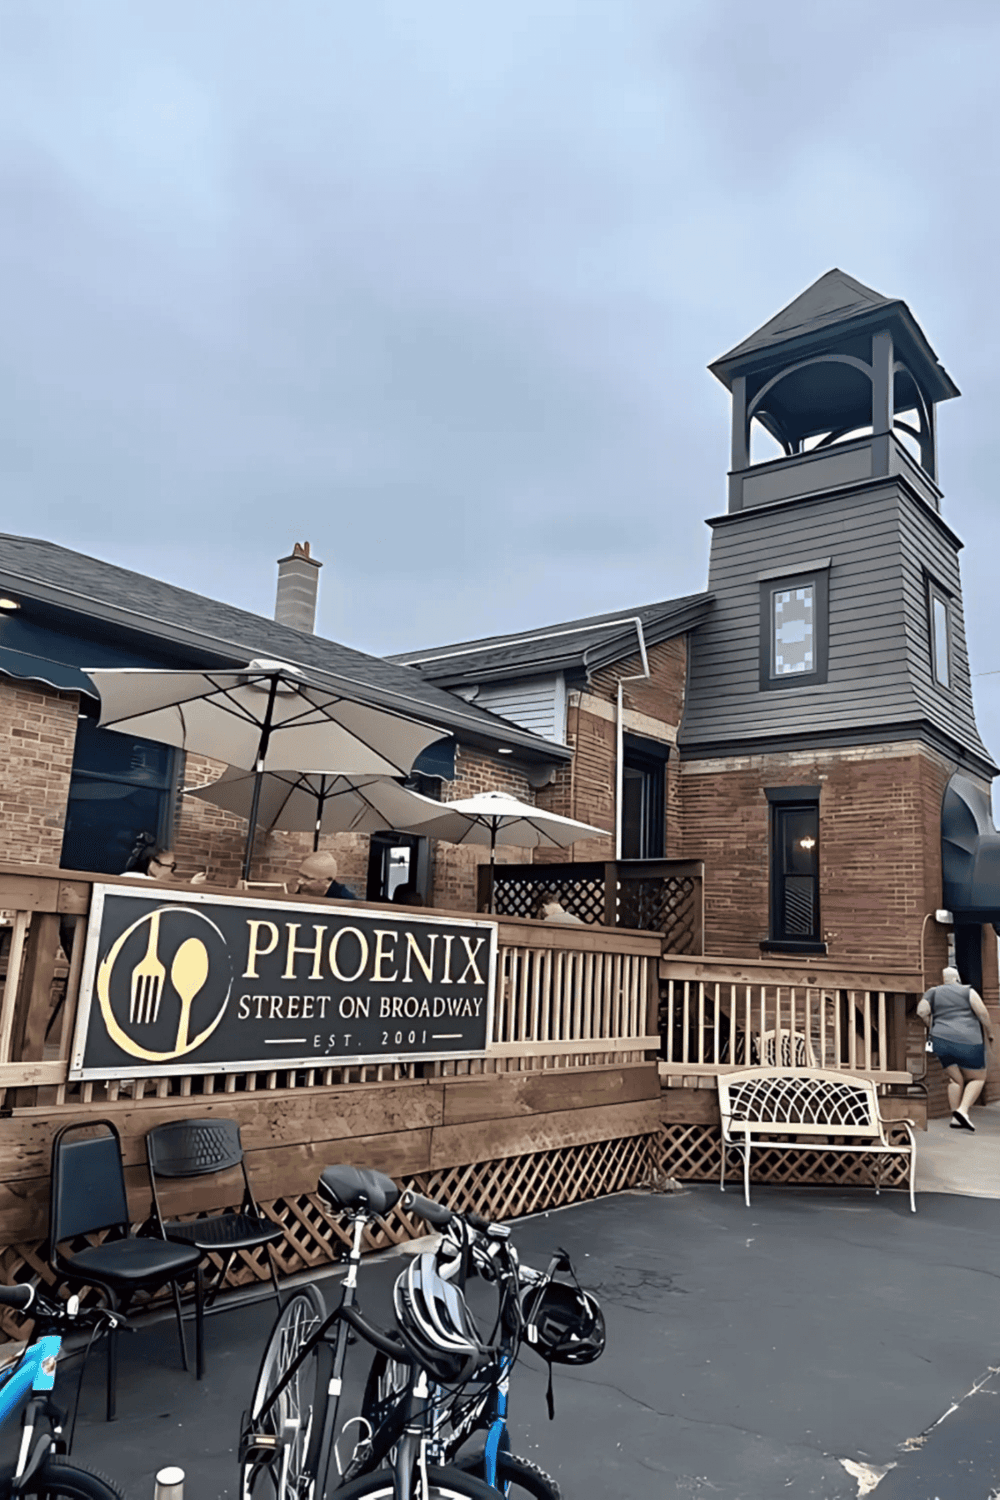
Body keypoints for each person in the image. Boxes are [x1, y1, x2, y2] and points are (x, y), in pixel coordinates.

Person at [917, 965, 995, 1131]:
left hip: (941, 1041)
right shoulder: (968, 992)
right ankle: (962, 1111)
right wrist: (990, 1032)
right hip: (968, 1040)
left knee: (955, 1079)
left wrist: (933, 1026)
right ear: (957, 978)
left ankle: (955, 1118)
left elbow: (921, 1011)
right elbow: (982, 1013)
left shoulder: (933, 992)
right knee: (978, 1078)